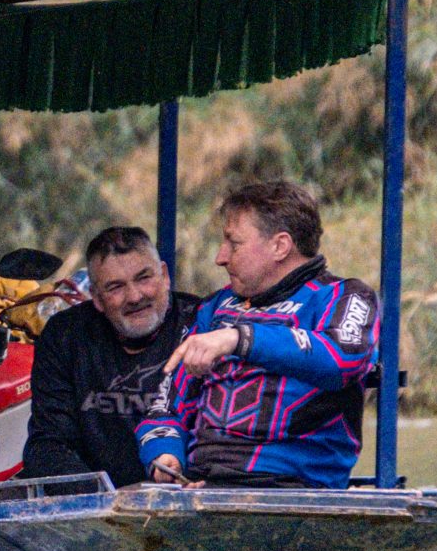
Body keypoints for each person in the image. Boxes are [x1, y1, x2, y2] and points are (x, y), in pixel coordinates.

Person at [137, 180, 379, 489]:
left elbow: (341, 359)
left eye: (234, 243)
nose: (220, 257)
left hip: (292, 489)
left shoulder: (343, 296)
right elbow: (166, 405)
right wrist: (165, 453)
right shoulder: (214, 307)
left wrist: (239, 339)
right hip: (201, 485)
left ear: (280, 246)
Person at [23, 226, 201, 488]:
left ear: (165, 276)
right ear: (96, 298)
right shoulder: (65, 335)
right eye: (116, 287)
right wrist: (102, 500)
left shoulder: (201, 322)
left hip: (188, 496)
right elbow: (48, 445)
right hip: (95, 503)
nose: (135, 296)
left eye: (144, 278)